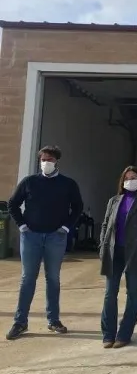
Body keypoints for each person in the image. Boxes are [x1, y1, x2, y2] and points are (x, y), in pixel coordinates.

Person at [6, 145, 84, 340]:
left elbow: (77, 207)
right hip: (30, 236)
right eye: (43, 159)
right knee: (27, 279)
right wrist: (22, 225)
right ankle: (20, 322)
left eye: (50, 159)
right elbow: (12, 204)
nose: (46, 163)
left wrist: (66, 227)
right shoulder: (29, 182)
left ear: (57, 161)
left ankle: (53, 320)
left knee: (53, 279)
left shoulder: (68, 184)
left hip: (55, 237)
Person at [99, 166, 137, 348]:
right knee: (110, 293)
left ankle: (124, 334)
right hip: (114, 251)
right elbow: (105, 224)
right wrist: (102, 244)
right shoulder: (114, 201)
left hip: (134, 252)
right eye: (127, 178)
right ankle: (108, 334)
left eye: (133, 177)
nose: (130, 181)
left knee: (133, 293)